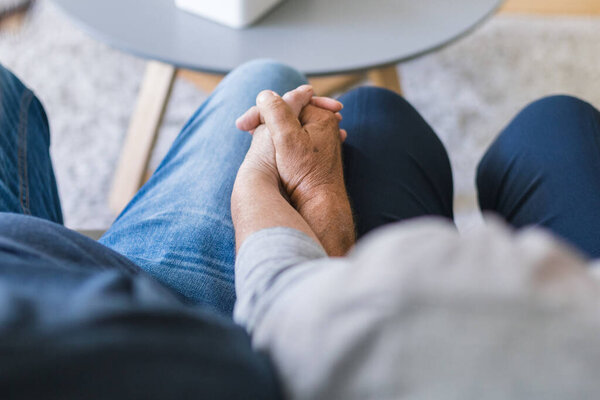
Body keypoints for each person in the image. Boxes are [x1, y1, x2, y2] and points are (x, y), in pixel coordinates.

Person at [2, 47, 600, 400]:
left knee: (341, 105)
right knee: (549, 125)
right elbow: (304, 328)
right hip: (138, 303)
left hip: (57, 272)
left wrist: (275, 184)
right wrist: (314, 200)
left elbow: (311, 316)